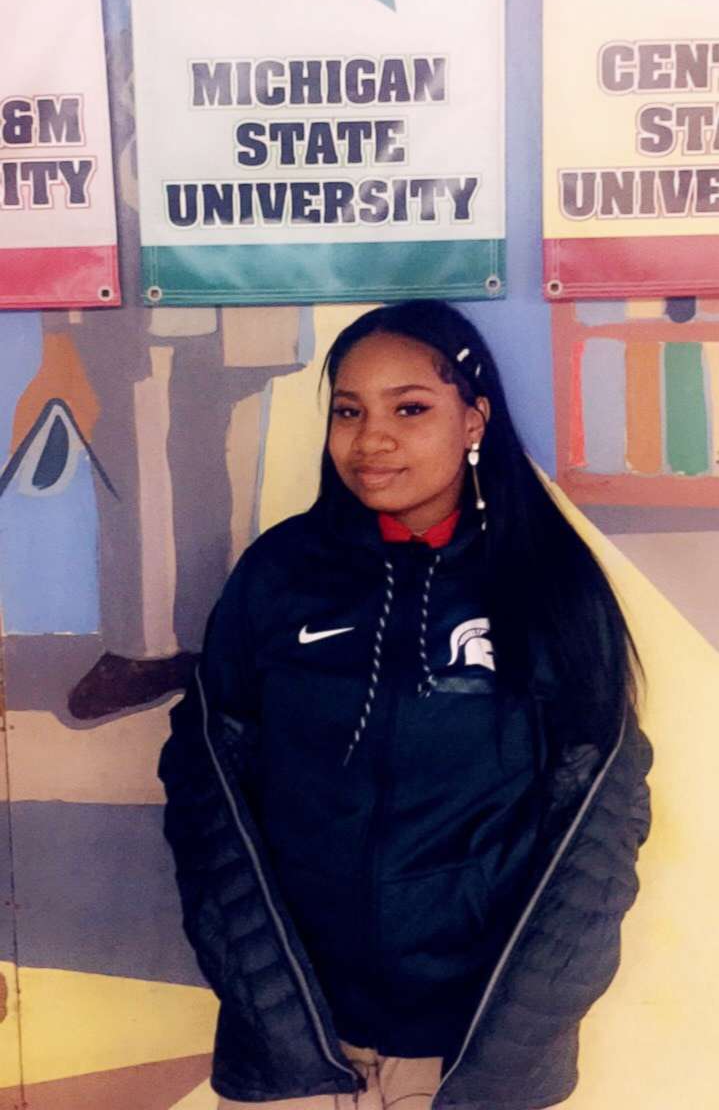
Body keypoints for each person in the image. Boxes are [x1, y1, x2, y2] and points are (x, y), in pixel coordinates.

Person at [159, 300, 652, 1110]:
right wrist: (265, 1002)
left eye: (410, 409)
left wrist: (515, 1040)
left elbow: (598, 828)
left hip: (467, 1059)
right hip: (292, 1048)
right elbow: (207, 789)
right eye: (348, 411)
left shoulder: (546, 584)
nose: (371, 439)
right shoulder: (277, 575)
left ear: (473, 419)